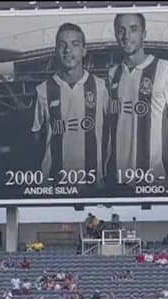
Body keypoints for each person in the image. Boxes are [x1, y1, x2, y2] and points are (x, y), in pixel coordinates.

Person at [107, 12, 168, 182]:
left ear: (143, 34)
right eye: (121, 30)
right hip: (120, 178)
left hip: (157, 178)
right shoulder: (113, 74)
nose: (126, 36)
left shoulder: (166, 69)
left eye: (133, 29)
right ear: (116, 35)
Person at [32, 22, 109, 184]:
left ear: (84, 50)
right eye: (62, 45)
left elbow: (112, 131)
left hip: (92, 182)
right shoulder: (43, 90)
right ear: (56, 51)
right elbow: (36, 134)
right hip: (54, 183)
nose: (68, 50)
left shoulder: (101, 87)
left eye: (75, 44)